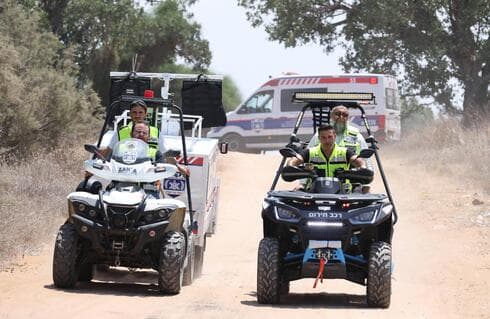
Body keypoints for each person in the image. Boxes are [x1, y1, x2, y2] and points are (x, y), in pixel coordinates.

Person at [308, 105, 373, 192]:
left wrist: (366, 184)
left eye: (345, 115)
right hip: (319, 185)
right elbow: (307, 160)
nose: (341, 117)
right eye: (337, 114)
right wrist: (302, 183)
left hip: (351, 186)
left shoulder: (356, 136)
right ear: (331, 116)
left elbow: (366, 159)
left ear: (348, 118)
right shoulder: (319, 136)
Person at [289, 125, 365, 191]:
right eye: (323, 137)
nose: (327, 141)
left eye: (329, 137)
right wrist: (290, 166)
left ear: (335, 136)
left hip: (343, 195)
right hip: (314, 194)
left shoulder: (345, 152)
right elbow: (296, 159)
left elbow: (358, 160)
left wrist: (363, 168)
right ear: (319, 138)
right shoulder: (310, 152)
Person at [101, 99, 165, 158]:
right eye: (134, 112)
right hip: (124, 167)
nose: (137, 115)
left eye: (140, 112)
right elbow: (108, 151)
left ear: (145, 114)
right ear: (130, 114)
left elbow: (164, 153)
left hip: (150, 168)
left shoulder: (156, 132)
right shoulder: (121, 132)